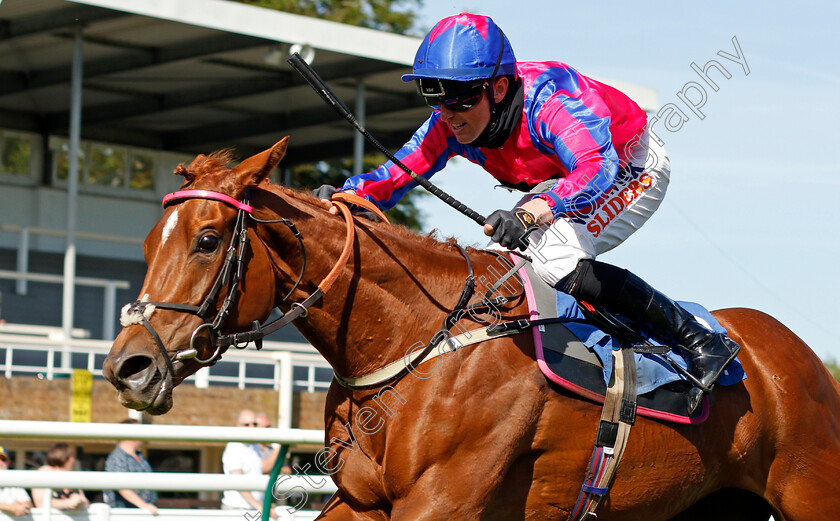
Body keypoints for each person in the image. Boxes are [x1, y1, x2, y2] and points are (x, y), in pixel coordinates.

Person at [314, 12, 740, 413]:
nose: (447, 112)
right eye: (433, 93)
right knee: (499, 272)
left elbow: (596, 169)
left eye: (460, 98)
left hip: (626, 165)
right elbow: (402, 168)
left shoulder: (554, 101)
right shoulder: (449, 121)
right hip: (560, 181)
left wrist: (534, 212)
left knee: (553, 255)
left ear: (498, 89)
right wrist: (352, 196)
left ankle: (699, 341)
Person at [221, 409, 276, 517]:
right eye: (247, 424)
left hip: (254, 509)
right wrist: (260, 506)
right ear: (238, 426)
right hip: (236, 510)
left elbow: (261, 470)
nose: (251, 427)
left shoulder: (255, 446)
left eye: (254, 424)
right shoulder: (234, 447)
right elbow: (239, 482)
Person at [103, 419, 158, 514]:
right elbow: (121, 486)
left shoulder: (140, 456)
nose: (143, 433)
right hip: (126, 515)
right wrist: (143, 505)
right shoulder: (117, 458)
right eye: (139, 430)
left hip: (143, 513)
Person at [31, 442, 90, 510]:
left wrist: (79, 502)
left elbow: (85, 502)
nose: (73, 460)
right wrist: (68, 503)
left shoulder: (71, 476)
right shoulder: (45, 472)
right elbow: (41, 503)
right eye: (71, 456)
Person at [0, 446, 33, 516]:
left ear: (8, 462)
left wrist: (23, 506)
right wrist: (11, 508)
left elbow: (28, 503)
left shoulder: (13, 481)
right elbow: (13, 508)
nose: (0, 462)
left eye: (3, 459)